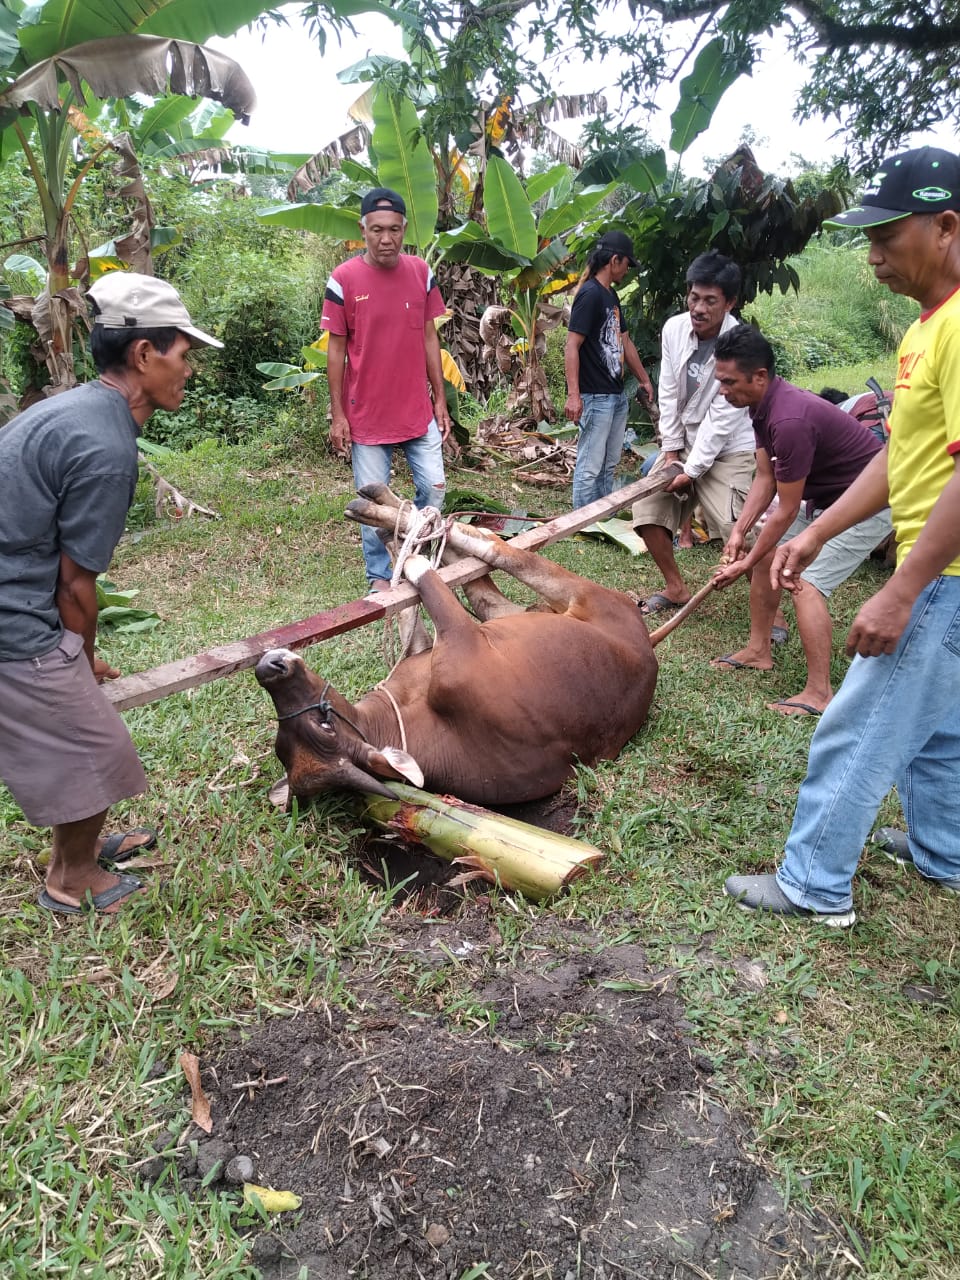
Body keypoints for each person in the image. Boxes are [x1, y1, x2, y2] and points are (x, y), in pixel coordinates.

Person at [724, 145, 960, 925]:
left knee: (856, 726)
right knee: (941, 735)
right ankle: (945, 851)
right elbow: (903, 457)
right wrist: (821, 530)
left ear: (947, 227)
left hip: (942, 579)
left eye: (888, 238)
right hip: (944, 577)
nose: (873, 256)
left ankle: (813, 883)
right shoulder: (926, 330)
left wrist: (901, 587)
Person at [0, 272, 222, 915]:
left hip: (18, 588)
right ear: (145, 355)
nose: (189, 370)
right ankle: (70, 881)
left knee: (85, 735)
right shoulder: (102, 445)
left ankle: (82, 849)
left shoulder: (73, 409)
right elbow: (75, 584)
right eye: (184, 355)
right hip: (13, 614)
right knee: (95, 748)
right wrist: (77, 658)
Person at [709, 324, 892, 717]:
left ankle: (819, 693)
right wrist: (739, 533)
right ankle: (759, 650)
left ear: (760, 377)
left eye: (728, 381)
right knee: (764, 556)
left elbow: (787, 508)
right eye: (719, 380)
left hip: (868, 502)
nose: (722, 390)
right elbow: (765, 477)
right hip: (824, 498)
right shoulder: (759, 406)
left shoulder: (789, 419)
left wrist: (743, 559)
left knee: (805, 580)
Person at [321, 187, 452, 594]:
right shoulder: (343, 280)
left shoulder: (420, 273)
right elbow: (336, 351)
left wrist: (441, 399)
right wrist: (338, 414)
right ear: (363, 229)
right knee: (372, 505)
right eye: (377, 230)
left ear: (404, 229)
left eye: (394, 229)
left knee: (434, 487)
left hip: (417, 409)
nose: (386, 239)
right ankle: (379, 576)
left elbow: (431, 337)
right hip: (367, 415)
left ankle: (421, 555)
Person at [631, 251, 757, 615]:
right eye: (694, 297)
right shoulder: (674, 328)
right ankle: (675, 588)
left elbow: (722, 418)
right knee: (647, 509)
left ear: (730, 302)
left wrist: (691, 471)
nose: (699, 308)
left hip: (729, 448)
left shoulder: (741, 344)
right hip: (684, 444)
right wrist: (671, 452)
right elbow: (668, 391)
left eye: (710, 301)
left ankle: (771, 610)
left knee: (740, 528)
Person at [564, 230, 655, 511]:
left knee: (608, 462)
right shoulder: (590, 294)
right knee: (591, 462)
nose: (627, 270)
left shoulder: (610, 295)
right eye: (627, 263)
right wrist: (573, 394)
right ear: (614, 261)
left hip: (615, 396)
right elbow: (571, 346)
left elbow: (624, 341)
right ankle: (580, 518)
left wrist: (644, 379)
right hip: (596, 396)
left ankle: (601, 513)